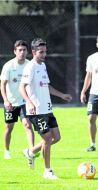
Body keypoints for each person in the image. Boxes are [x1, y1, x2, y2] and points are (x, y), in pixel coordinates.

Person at [19, 38, 72, 179]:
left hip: (47, 109)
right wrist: (29, 103)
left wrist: (62, 95)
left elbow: (47, 87)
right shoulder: (30, 68)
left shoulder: (42, 66)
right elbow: (21, 88)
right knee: (48, 139)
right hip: (36, 111)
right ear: (34, 52)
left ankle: (30, 152)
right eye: (41, 52)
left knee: (57, 137)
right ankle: (47, 171)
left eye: (45, 52)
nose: (44, 55)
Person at [0, 40, 35, 160]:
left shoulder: (30, 65)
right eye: (19, 50)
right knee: (9, 127)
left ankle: (31, 151)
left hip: (24, 102)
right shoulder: (8, 66)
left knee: (27, 125)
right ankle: (7, 150)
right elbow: (2, 85)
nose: (22, 52)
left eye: (24, 50)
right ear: (15, 51)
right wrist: (5, 100)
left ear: (27, 51)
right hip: (11, 103)